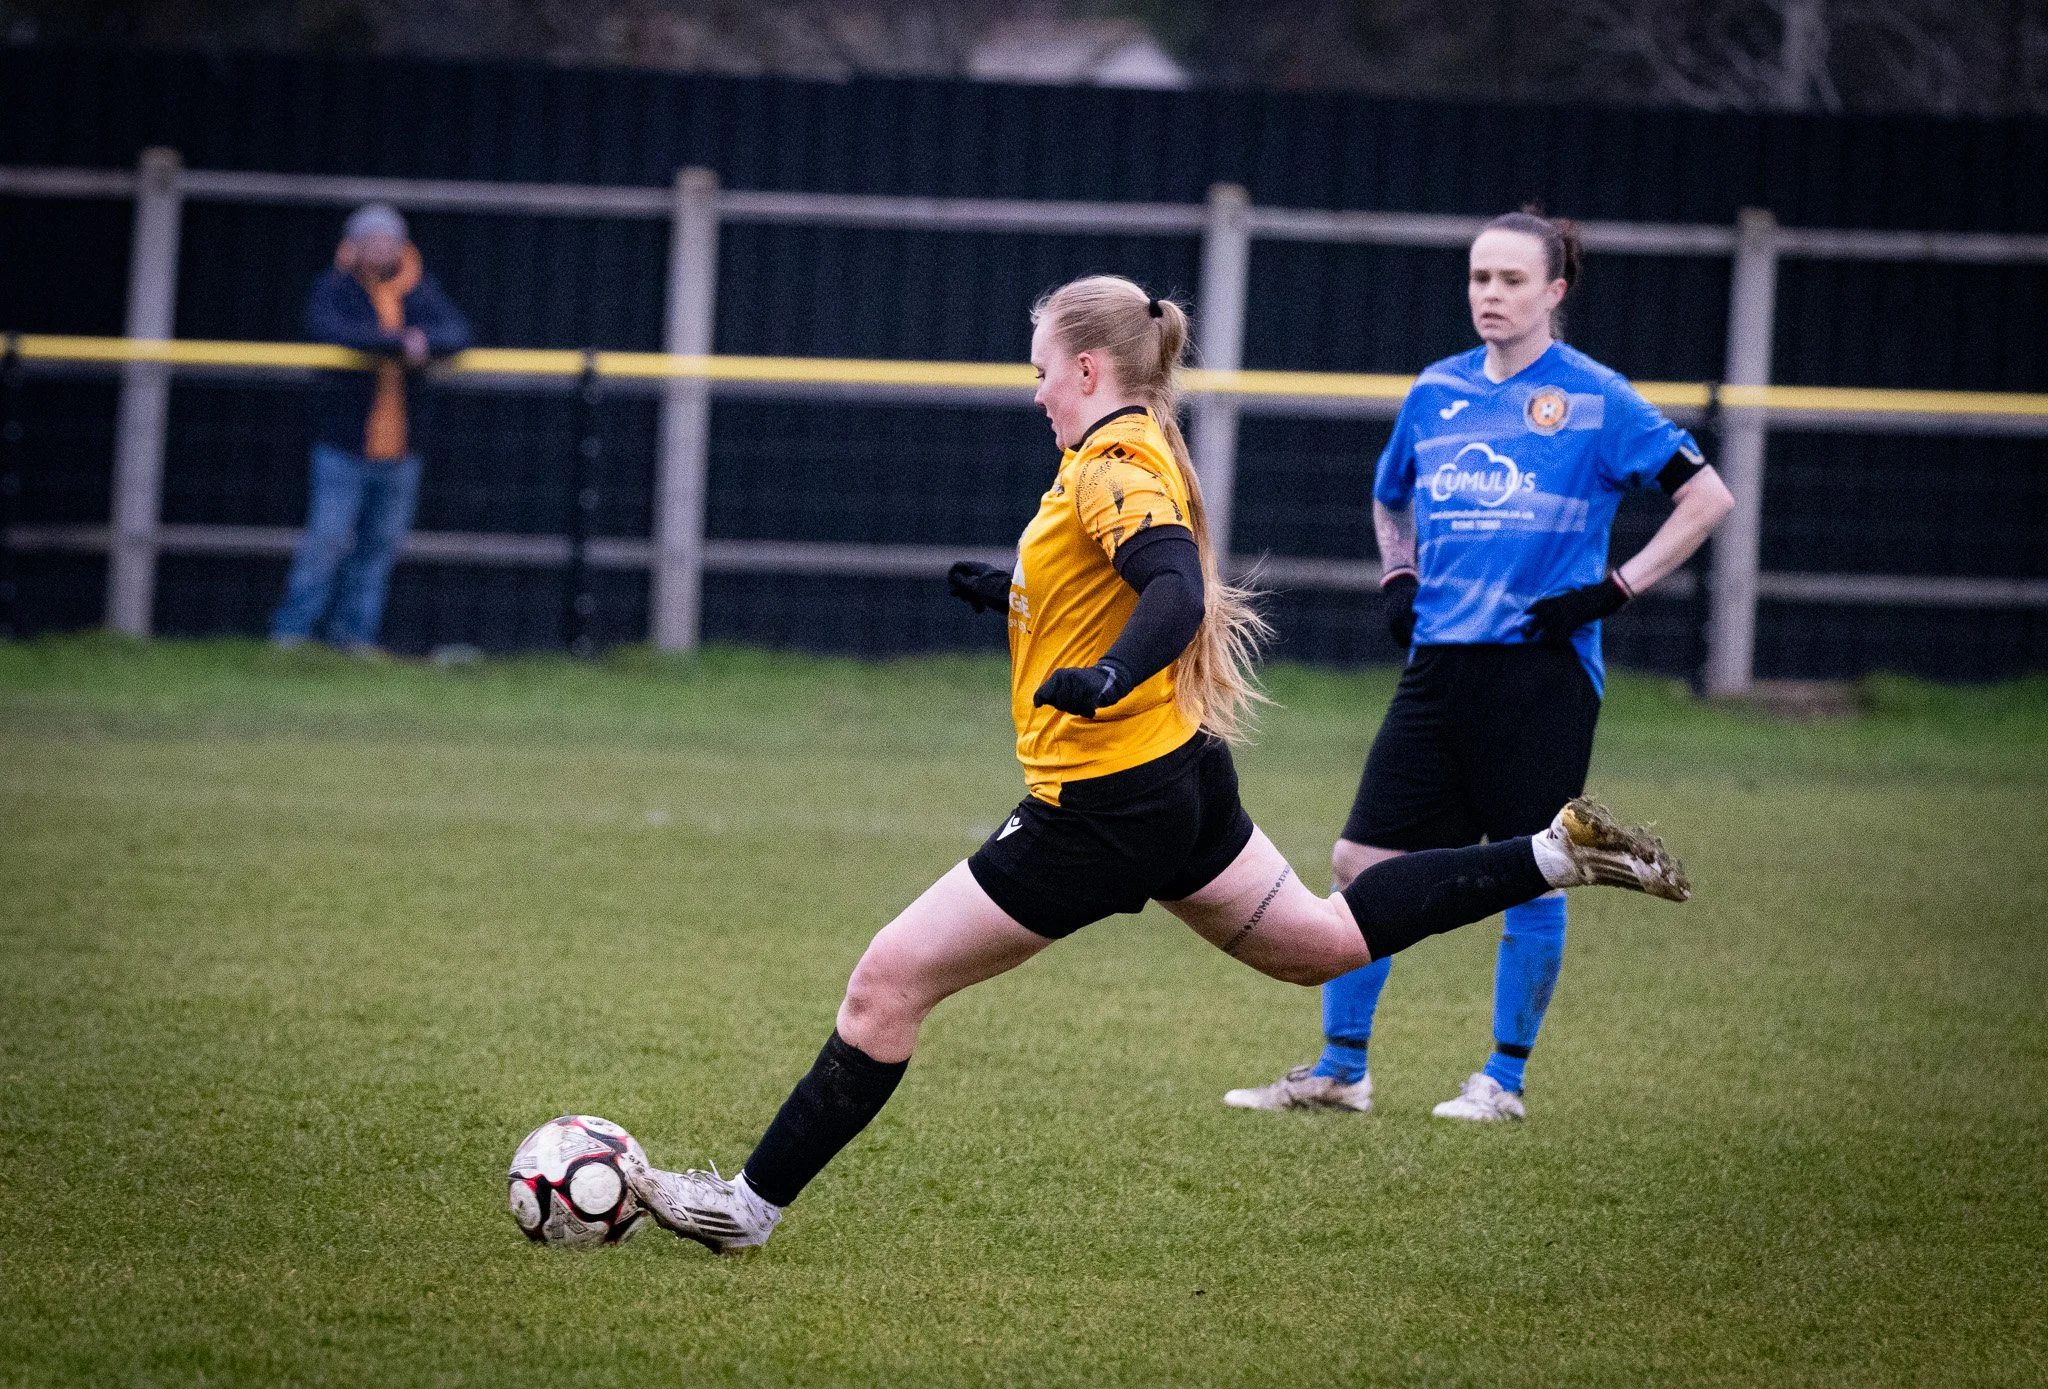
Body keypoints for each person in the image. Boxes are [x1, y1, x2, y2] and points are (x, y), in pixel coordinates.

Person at [622, 274, 1692, 1254]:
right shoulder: (1130, 450)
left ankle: (744, 1209)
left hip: (1098, 808)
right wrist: (1015, 595)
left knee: (883, 986)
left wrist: (1111, 676)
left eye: (1041, 369)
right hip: (1176, 781)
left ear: (1087, 368)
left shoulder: (1112, 465)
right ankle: (1553, 853)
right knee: (1319, 943)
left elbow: (1171, 589)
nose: (1035, 390)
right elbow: (1113, 585)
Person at [1223, 210, 1734, 1123]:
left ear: (1554, 291)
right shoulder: (1437, 391)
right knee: (1359, 857)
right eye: (1478, 278)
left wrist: (1615, 588)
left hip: (1541, 671)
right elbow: (1390, 497)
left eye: (1509, 280)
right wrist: (1397, 572)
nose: (1489, 295)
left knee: (1537, 861)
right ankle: (1343, 1070)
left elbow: (1707, 497)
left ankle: (1503, 1081)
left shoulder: (1596, 396)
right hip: (1438, 669)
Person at [271, 204, 470, 653]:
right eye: (372, 241)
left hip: (400, 447)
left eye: (388, 241)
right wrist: (399, 343)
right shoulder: (335, 287)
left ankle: (353, 639)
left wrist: (422, 342)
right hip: (344, 443)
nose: (380, 249)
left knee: (378, 548)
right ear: (354, 245)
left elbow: (457, 333)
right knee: (326, 540)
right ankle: (291, 637)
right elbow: (328, 329)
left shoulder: (419, 289)